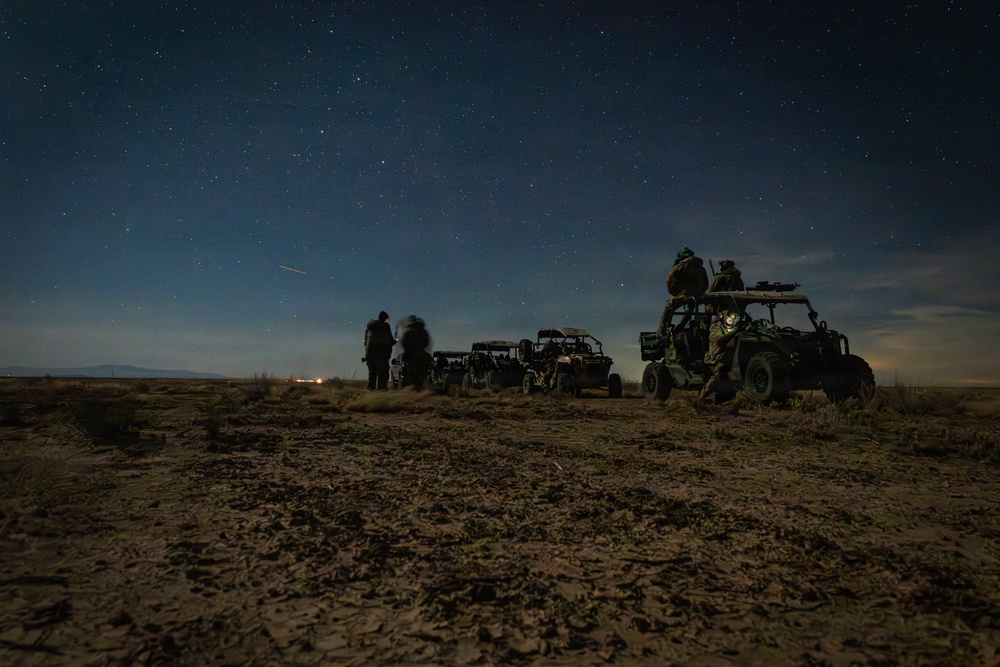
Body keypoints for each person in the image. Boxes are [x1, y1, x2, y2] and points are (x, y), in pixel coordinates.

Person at [657, 247, 709, 337]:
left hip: (685, 294)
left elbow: (669, 280)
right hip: (697, 296)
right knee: (690, 309)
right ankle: (681, 326)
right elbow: (706, 284)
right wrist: (699, 292)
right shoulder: (701, 268)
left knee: (669, 307)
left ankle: (662, 331)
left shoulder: (680, 266)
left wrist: (674, 292)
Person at [697, 309, 742, 405]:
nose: (731, 320)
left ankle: (717, 404)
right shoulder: (716, 328)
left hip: (722, 360)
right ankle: (701, 400)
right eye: (729, 318)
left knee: (729, 389)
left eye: (733, 318)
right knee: (715, 379)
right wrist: (735, 331)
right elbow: (719, 339)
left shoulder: (729, 328)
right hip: (715, 360)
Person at [364, 311, 395, 391]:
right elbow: (389, 340)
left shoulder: (369, 328)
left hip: (370, 356)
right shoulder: (385, 326)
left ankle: (369, 394)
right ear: (385, 319)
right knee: (383, 375)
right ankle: (381, 395)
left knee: (372, 375)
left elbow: (365, 342)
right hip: (382, 356)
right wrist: (395, 341)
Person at [399, 315, 432, 390]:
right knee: (422, 372)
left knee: (408, 372)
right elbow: (426, 342)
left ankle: (411, 388)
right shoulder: (423, 331)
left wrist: (409, 350)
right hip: (421, 354)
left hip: (410, 355)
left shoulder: (408, 331)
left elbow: (403, 343)